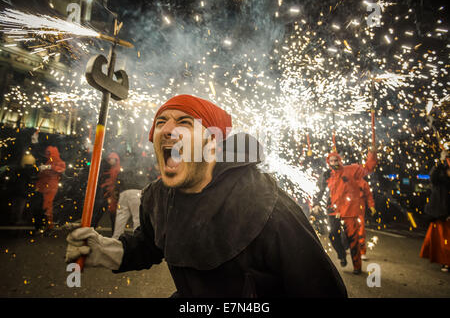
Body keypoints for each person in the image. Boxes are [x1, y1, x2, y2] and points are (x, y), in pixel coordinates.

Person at [66, 94, 347, 297]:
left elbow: (322, 289)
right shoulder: (158, 197)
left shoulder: (268, 207)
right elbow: (151, 242)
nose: (166, 129)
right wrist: (108, 251)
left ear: (212, 143)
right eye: (161, 121)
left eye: (184, 122)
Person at [311, 150, 377, 274]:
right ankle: (341, 255)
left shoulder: (352, 169)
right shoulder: (326, 175)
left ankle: (357, 266)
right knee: (333, 235)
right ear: (328, 162)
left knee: (352, 239)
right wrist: (316, 203)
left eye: (336, 160)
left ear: (340, 160)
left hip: (349, 211)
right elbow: (319, 190)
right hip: (332, 210)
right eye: (331, 161)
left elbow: (368, 168)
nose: (334, 163)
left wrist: (372, 155)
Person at [420, 150, 450, 272]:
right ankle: (446, 262)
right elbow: (432, 177)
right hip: (440, 210)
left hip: (447, 209)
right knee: (443, 238)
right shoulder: (440, 170)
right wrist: (440, 162)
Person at [35, 145, 66, 230]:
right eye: (47, 152)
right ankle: (47, 224)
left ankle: (49, 225)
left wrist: (49, 167)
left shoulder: (56, 161)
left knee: (47, 206)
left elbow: (62, 168)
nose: (47, 153)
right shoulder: (49, 161)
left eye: (49, 152)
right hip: (45, 187)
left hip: (50, 187)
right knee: (46, 206)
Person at [91, 152, 121, 232]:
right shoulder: (106, 168)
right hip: (105, 194)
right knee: (99, 212)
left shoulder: (118, 170)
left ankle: (115, 233)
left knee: (113, 215)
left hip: (113, 195)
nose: (111, 161)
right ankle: (91, 228)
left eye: (113, 159)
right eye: (109, 159)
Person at [357, 178, 377, 261]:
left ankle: (362, 252)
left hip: (359, 211)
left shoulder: (363, 183)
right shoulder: (346, 179)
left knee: (361, 232)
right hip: (348, 210)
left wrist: (371, 206)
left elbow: (369, 195)